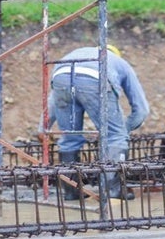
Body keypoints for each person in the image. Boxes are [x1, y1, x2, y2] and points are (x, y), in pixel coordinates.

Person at [47, 45, 150, 200]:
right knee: (115, 137)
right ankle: (113, 191)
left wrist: (43, 127)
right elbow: (141, 110)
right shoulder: (121, 64)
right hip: (95, 78)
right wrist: (123, 131)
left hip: (60, 76)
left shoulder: (77, 54)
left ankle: (71, 191)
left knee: (69, 138)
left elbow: (52, 103)